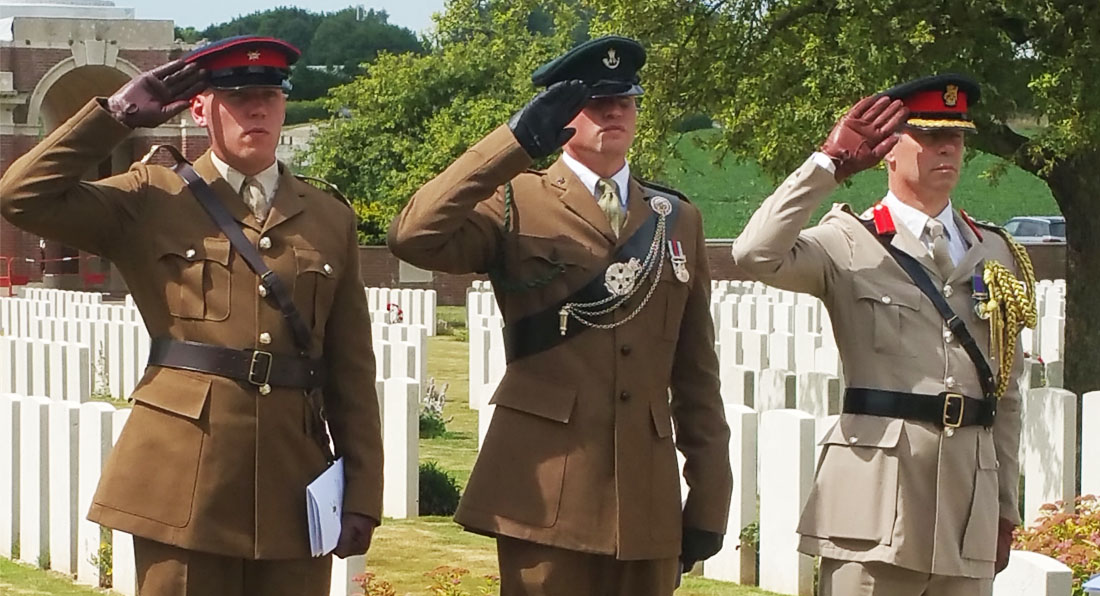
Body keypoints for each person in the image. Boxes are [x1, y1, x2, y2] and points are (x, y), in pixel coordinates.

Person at [0, 35, 383, 596]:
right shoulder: (149, 197)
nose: (258, 108)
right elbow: (20, 196)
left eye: (271, 96)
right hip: (182, 478)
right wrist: (115, 119)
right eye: (239, 95)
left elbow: (351, 366)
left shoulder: (327, 216)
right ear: (200, 106)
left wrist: (364, 493)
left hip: (293, 477)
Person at [388, 35, 733, 596]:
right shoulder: (514, 200)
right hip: (544, 492)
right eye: (595, 101)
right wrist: (513, 143)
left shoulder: (676, 218)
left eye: (624, 99)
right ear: (559, 113)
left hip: (645, 499)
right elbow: (412, 235)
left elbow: (695, 373)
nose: (613, 111)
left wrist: (710, 497)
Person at [731, 74, 1034, 595]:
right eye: (927, 135)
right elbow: (754, 254)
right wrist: (827, 164)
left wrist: (1005, 505)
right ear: (887, 151)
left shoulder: (997, 253)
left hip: (969, 507)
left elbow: (1003, 394)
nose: (947, 147)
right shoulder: (847, 241)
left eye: (957, 136)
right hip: (874, 508)